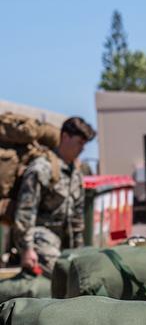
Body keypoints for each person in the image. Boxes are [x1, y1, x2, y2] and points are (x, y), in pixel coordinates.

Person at [14, 116, 96, 271]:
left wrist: (80, 252)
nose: (82, 149)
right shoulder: (42, 169)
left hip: (65, 241)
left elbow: (77, 219)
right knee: (61, 273)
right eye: (79, 142)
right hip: (41, 238)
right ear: (65, 137)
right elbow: (25, 212)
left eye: (84, 144)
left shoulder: (76, 174)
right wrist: (27, 250)